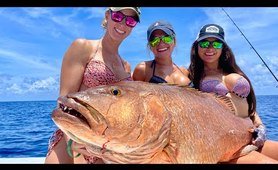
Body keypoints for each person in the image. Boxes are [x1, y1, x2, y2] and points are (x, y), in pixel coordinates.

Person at [45, 7, 141, 164]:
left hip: (106, 151)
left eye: (130, 21)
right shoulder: (83, 47)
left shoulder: (126, 67)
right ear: (107, 16)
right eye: (118, 16)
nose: (123, 24)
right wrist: (74, 142)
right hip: (73, 146)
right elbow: (64, 101)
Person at [188, 23, 278, 163]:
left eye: (216, 44)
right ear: (196, 47)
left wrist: (260, 126)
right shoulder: (191, 76)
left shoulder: (232, 70)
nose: (210, 48)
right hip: (227, 145)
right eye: (204, 43)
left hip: (250, 138)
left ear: (223, 47)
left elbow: (248, 105)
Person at [132, 20, 191, 85]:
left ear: (174, 41)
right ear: (150, 46)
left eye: (166, 38)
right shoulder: (143, 70)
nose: (161, 43)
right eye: (155, 40)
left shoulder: (185, 72)